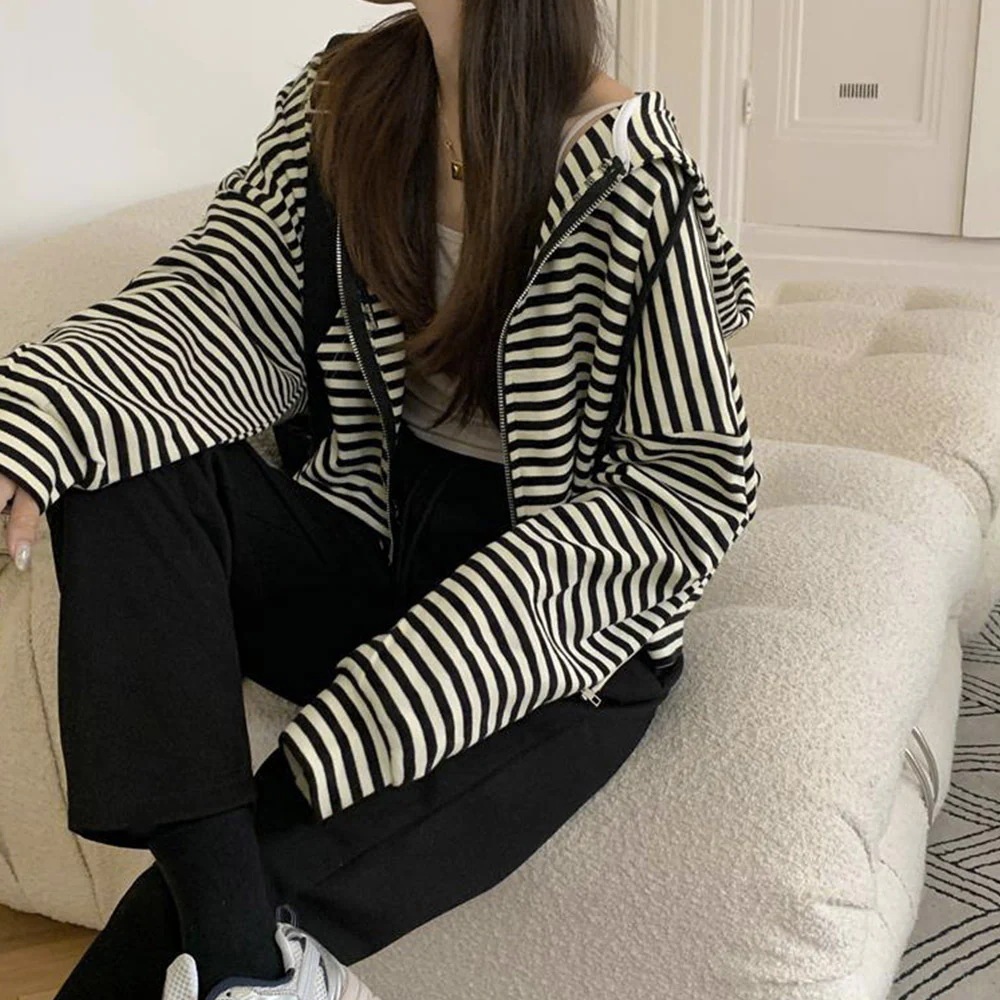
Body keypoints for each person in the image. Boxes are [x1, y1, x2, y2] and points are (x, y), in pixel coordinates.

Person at [0, 2, 760, 999]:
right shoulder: (344, 96)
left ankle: (235, 954)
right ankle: (251, 972)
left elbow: (690, 482)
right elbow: (220, 295)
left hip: (556, 615)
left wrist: (468, 642)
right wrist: (35, 422)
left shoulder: (628, 172)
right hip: (368, 529)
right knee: (119, 461)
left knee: (223, 882)